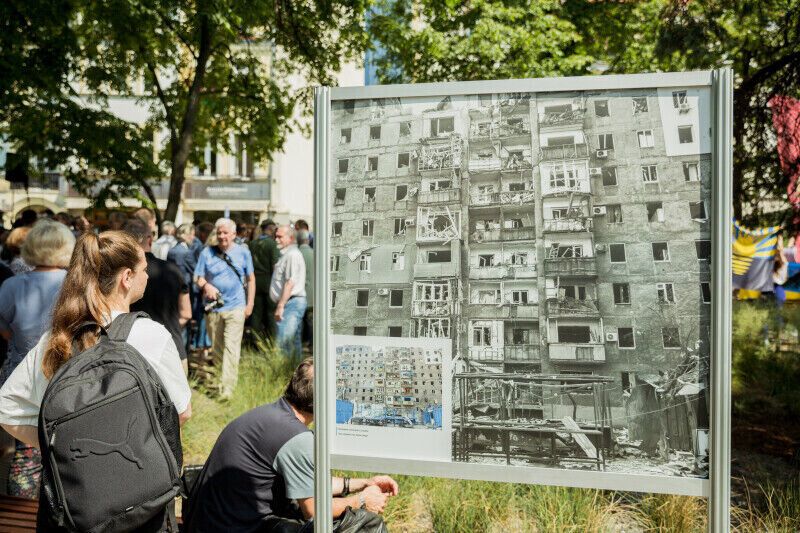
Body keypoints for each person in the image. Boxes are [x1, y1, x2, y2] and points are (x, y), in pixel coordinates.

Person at [0, 230, 191, 529]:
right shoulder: (151, 336)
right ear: (127, 277)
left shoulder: (59, 337)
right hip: (141, 504)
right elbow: (181, 412)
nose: (147, 277)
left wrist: (57, 446)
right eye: (143, 270)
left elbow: (7, 406)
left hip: (73, 508)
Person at [184, 358, 396, 532]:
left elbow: (310, 481)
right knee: (362, 524)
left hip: (210, 519)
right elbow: (314, 511)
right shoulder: (296, 438)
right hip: (232, 527)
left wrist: (364, 483)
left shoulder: (274, 415)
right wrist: (361, 501)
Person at [0, 220, 75, 499]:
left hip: (21, 373)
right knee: (64, 449)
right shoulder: (73, 284)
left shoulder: (12, 284)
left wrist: (12, 334)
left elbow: (3, 323)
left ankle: (24, 511)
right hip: (63, 375)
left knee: (26, 452)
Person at [194, 218, 255, 398]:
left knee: (231, 348)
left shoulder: (243, 253)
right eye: (219, 233)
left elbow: (251, 279)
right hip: (214, 309)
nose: (221, 236)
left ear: (234, 235)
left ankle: (227, 390)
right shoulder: (207, 253)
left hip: (236, 307)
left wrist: (249, 304)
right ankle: (222, 380)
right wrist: (206, 286)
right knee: (218, 349)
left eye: (225, 233)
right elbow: (198, 277)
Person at [126, 219, 192, 373]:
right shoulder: (173, 270)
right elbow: (186, 313)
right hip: (173, 350)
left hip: (134, 356)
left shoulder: (122, 276)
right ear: (150, 239)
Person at [270, 225, 307, 357]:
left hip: (290, 303)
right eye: (276, 236)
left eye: (280, 236)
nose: (276, 239)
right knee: (292, 344)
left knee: (284, 345)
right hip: (290, 302)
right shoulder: (287, 254)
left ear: (291, 238)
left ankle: (284, 373)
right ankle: (295, 374)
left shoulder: (292, 255)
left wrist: (281, 306)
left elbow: (290, 282)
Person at [248, 219, 281, 339]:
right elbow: (275, 266)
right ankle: (272, 342)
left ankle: (255, 341)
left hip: (255, 281)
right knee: (270, 313)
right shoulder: (272, 244)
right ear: (270, 228)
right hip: (269, 281)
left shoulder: (252, 244)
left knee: (256, 314)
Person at [297, 230, 314, 349]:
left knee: (300, 320)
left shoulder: (296, 253)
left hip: (299, 293)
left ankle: (302, 341)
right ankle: (311, 342)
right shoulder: (315, 253)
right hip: (313, 293)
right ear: (308, 240)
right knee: (311, 319)